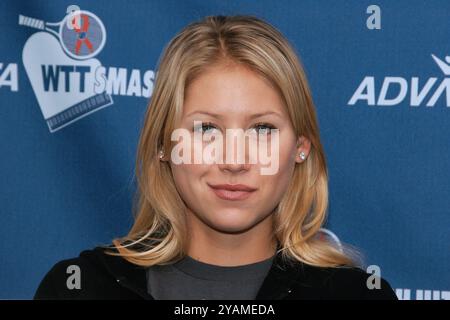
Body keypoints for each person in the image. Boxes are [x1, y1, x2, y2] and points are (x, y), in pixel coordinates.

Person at [34, 14, 397, 300]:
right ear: (163, 144)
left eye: (262, 130)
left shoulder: (356, 295)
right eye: (206, 129)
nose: (234, 161)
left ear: (301, 147)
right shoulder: (79, 289)